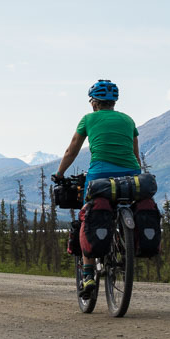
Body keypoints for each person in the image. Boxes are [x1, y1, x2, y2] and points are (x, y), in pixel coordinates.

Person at [53, 80, 140, 295]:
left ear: (94, 103)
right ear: (113, 102)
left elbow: (71, 151)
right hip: (132, 174)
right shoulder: (128, 120)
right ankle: (123, 237)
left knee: (87, 218)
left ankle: (88, 275)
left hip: (99, 175)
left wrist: (60, 174)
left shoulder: (88, 119)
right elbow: (135, 155)